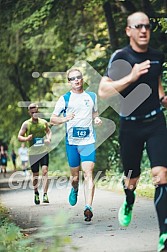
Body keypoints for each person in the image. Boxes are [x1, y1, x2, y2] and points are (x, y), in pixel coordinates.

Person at [98, 11, 167, 252]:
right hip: (131, 125)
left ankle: (164, 235)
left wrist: (164, 98)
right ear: (129, 31)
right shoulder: (121, 57)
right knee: (132, 179)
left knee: (161, 175)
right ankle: (129, 200)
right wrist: (131, 76)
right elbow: (104, 92)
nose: (143, 30)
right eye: (138, 26)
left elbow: (157, 88)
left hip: (156, 122)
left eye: (147, 26)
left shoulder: (157, 56)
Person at [50, 69, 102, 221]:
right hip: (72, 143)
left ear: (82, 79)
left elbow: (94, 113)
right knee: (75, 177)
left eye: (78, 77)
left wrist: (96, 119)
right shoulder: (65, 99)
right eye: (73, 79)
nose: (76, 80)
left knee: (88, 173)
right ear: (69, 82)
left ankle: (88, 207)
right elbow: (53, 119)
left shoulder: (91, 96)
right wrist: (65, 119)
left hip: (88, 142)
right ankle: (75, 189)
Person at [18, 103, 52, 205]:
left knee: (45, 171)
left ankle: (45, 194)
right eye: (32, 112)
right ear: (29, 113)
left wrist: (48, 139)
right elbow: (19, 136)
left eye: (36, 112)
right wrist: (26, 138)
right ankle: (36, 192)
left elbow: (49, 131)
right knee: (35, 175)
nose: (34, 114)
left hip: (43, 151)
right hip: (33, 153)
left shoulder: (43, 123)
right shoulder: (26, 124)